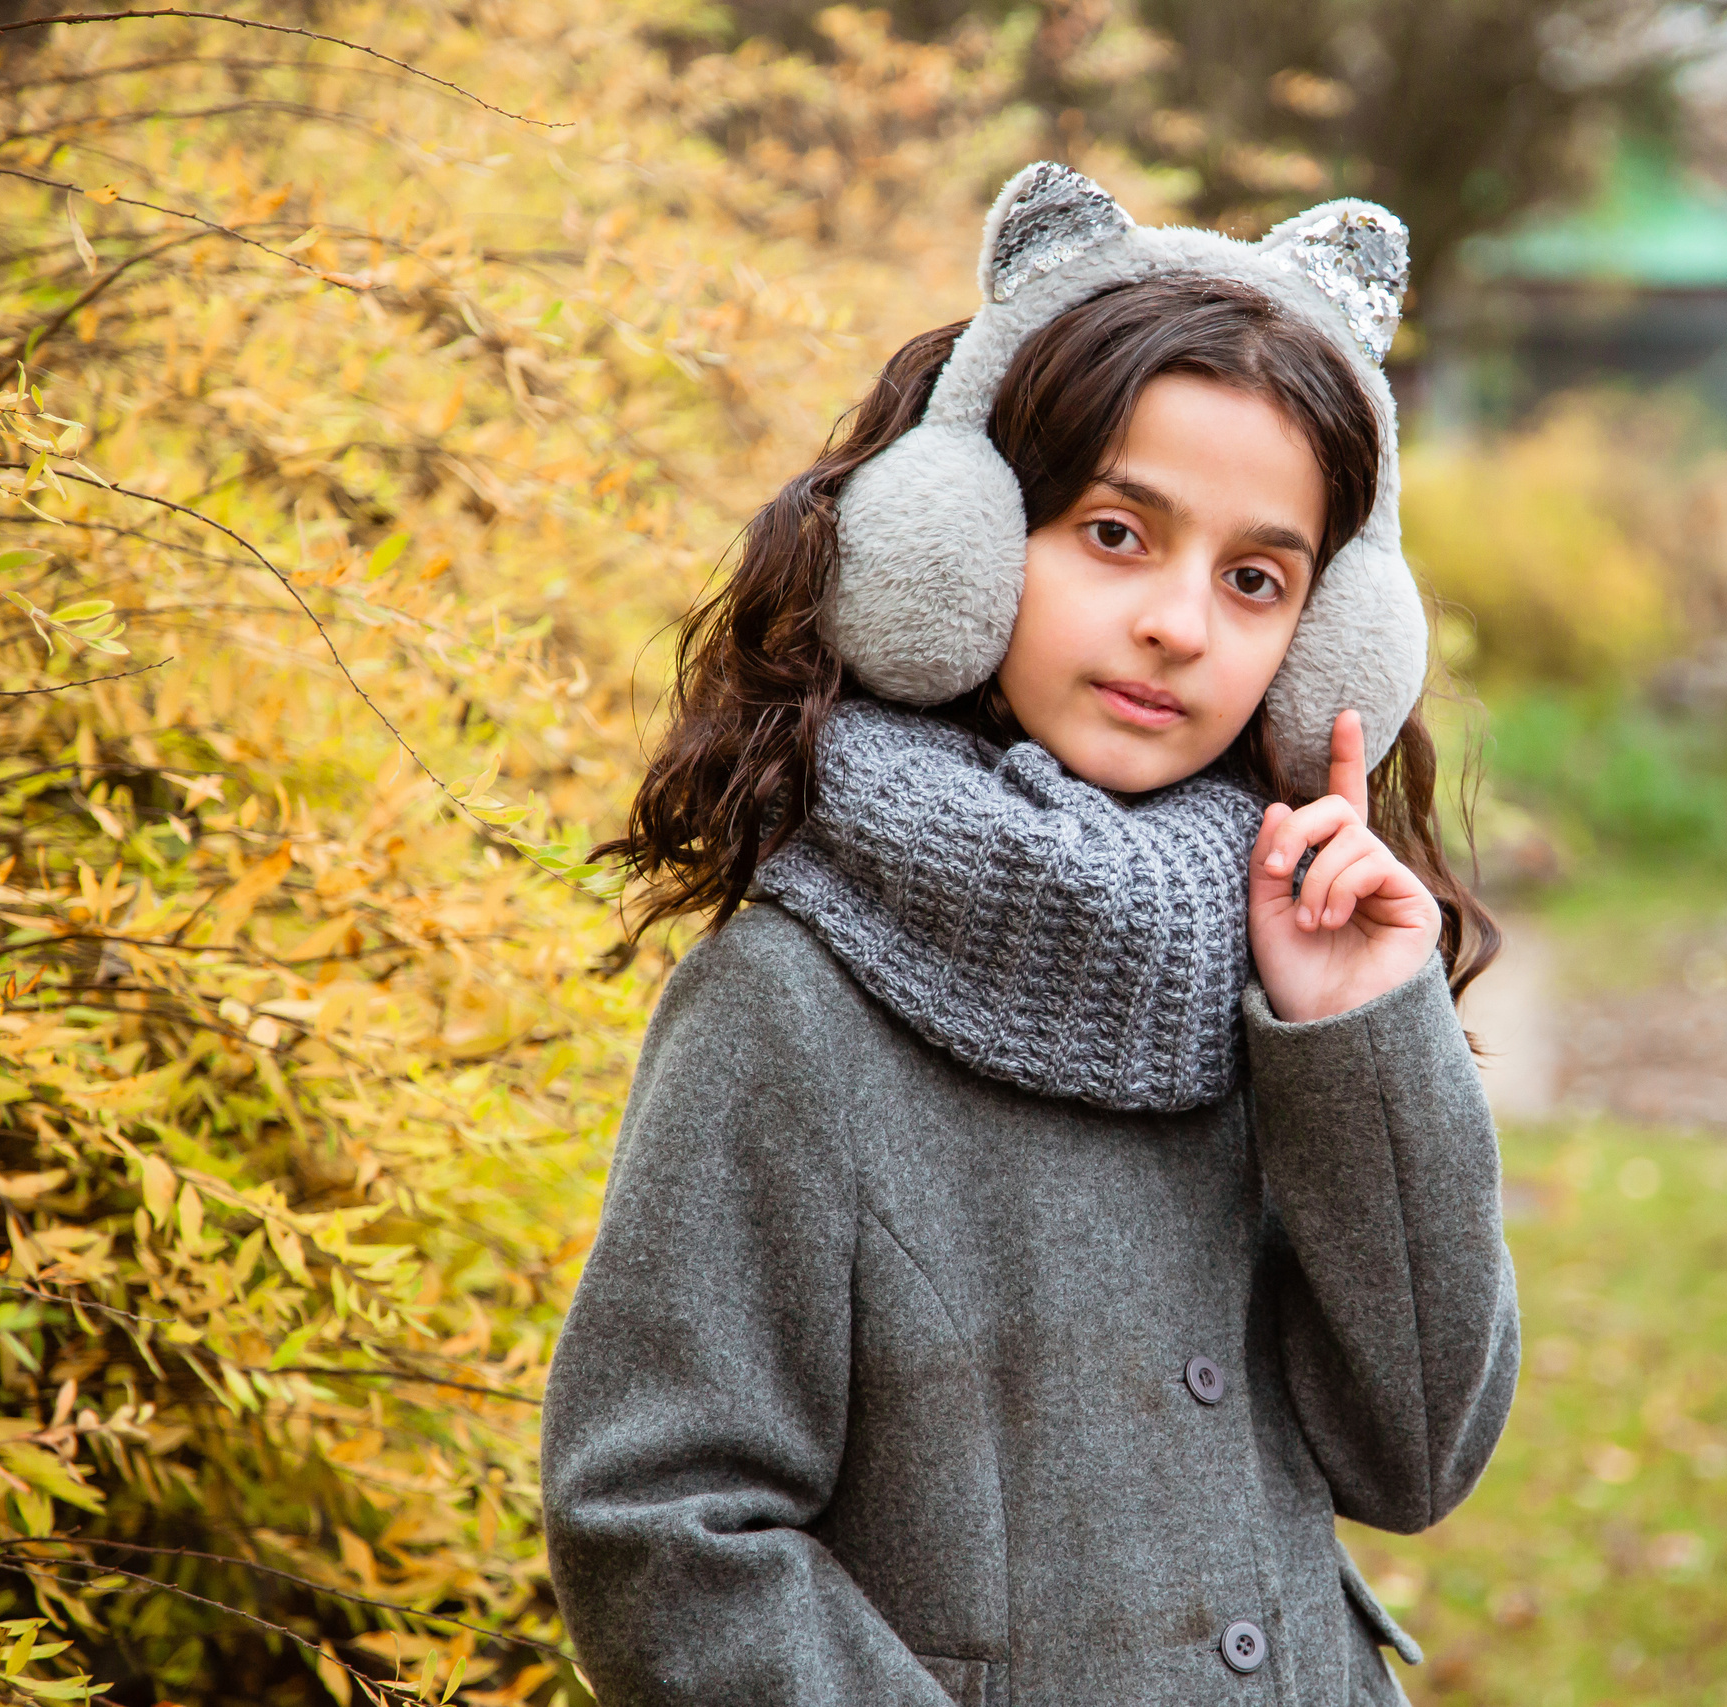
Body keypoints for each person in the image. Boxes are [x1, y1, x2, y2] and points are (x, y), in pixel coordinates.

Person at [539, 162, 1520, 1706]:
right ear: (963, 542)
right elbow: (664, 1527)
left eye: (1256, 577)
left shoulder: (1280, 970)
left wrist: (1355, 1041)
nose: (1180, 624)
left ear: (1323, 638)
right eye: (1117, 533)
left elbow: (1419, 1456)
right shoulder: (791, 1003)